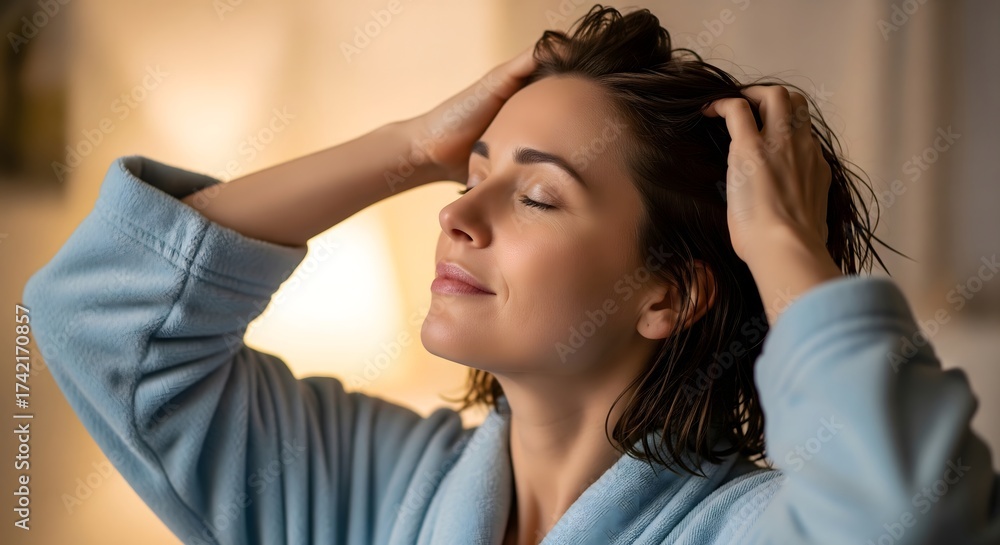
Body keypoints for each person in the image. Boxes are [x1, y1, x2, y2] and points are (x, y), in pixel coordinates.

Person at [23, 5, 1000, 545]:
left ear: (668, 293)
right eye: (469, 171)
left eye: (535, 196)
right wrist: (406, 147)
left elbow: (904, 517)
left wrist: (785, 249)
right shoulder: (371, 489)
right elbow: (98, 315)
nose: (455, 213)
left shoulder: (744, 528)